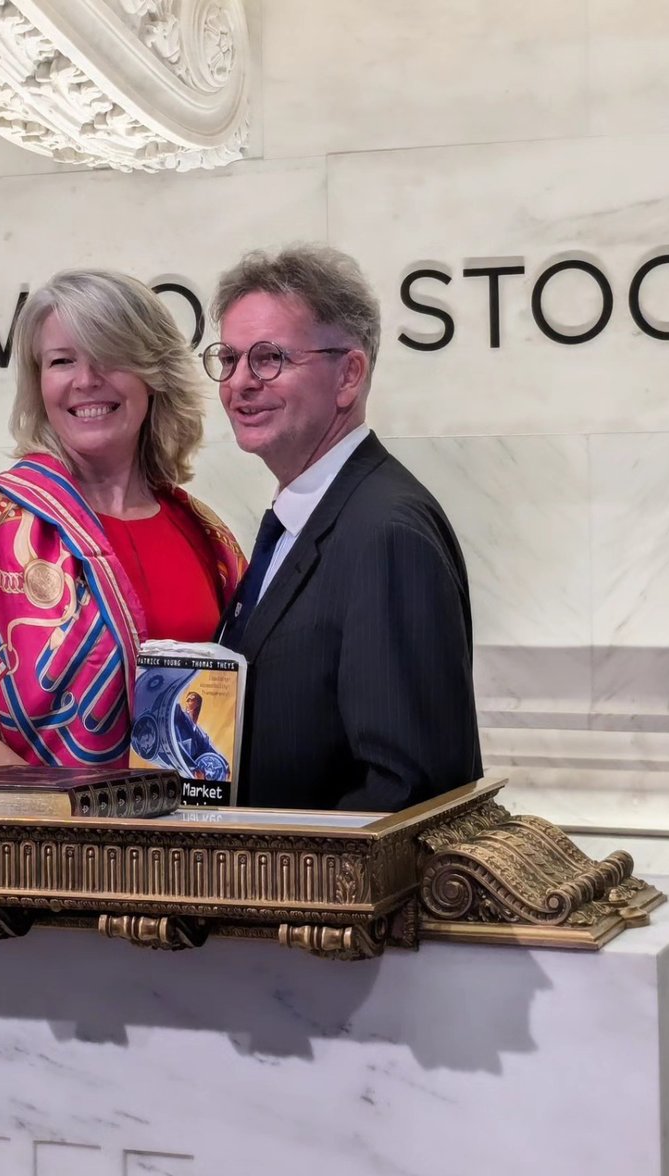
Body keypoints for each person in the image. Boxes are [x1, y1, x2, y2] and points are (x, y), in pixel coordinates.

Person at [0, 269, 244, 776]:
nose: (86, 380)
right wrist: (72, 818)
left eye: (109, 357)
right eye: (62, 361)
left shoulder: (202, 534)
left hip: (196, 847)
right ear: (39, 382)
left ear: (153, 375)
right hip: (51, 847)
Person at [206, 244, 482, 811]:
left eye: (268, 358)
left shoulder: (388, 533)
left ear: (348, 375)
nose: (240, 382)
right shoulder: (300, 516)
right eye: (229, 359)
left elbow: (407, 793)